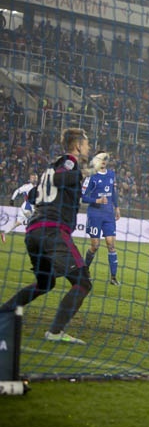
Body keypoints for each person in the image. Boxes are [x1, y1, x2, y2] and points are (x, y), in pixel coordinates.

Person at [0, 128, 92, 344]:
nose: (88, 148)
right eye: (86, 144)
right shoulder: (69, 162)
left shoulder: (51, 167)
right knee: (83, 282)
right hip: (52, 231)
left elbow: (33, 195)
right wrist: (85, 172)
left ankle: (3, 314)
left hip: (34, 232)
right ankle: (55, 332)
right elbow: (62, 179)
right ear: (78, 145)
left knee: (45, 283)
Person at [81, 151, 120, 285]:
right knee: (95, 246)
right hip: (95, 215)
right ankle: (85, 271)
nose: (103, 160)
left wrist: (117, 207)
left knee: (111, 244)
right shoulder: (91, 176)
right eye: (101, 158)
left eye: (105, 158)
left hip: (108, 214)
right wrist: (96, 200)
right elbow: (83, 196)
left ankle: (113, 277)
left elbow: (113, 193)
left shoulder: (111, 174)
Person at [1, 173, 38, 242]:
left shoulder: (38, 187)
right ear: (30, 179)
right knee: (35, 220)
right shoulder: (27, 186)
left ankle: (4, 233)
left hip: (24, 207)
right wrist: (12, 199)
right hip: (28, 207)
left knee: (18, 223)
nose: (34, 179)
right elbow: (17, 191)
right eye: (32, 178)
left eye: (35, 178)